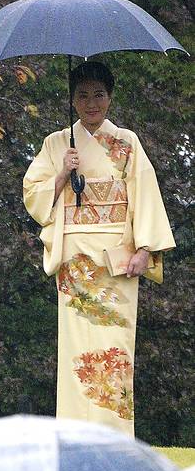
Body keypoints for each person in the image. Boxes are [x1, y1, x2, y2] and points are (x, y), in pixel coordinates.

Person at [23, 61, 174, 436]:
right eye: (83, 95)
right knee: (76, 349)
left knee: (115, 344)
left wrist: (144, 248)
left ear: (110, 98)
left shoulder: (127, 143)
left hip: (116, 258)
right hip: (75, 259)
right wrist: (61, 174)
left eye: (99, 95)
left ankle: (115, 435)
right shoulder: (55, 143)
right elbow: (32, 195)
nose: (92, 103)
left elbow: (146, 195)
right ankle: (75, 434)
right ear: (72, 100)